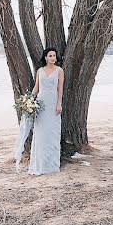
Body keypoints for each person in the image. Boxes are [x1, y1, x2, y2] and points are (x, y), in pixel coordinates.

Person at [28, 47, 64, 175]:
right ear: (45, 57)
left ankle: (52, 165)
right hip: (41, 104)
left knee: (52, 133)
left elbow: (60, 89)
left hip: (53, 104)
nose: (53, 58)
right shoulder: (40, 71)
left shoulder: (59, 71)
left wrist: (59, 104)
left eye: (54, 55)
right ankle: (40, 163)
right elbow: (36, 88)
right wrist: (29, 101)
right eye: (50, 56)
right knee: (41, 133)